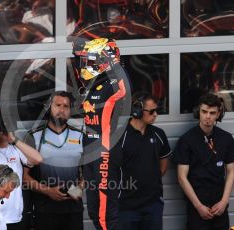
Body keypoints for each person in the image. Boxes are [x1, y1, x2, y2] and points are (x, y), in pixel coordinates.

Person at [73, 37, 128, 229]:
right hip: (89, 153)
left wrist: (113, 61)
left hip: (105, 153)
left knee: (106, 214)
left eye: (90, 60)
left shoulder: (115, 82)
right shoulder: (96, 84)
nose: (86, 65)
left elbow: (123, 88)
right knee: (94, 211)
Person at [172, 93, 234, 230]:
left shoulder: (226, 138)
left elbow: (231, 171)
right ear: (198, 112)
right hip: (197, 206)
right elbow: (181, 177)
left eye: (212, 113)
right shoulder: (186, 141)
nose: (207, 117)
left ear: (218, 115)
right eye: (204, 112)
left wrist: (224, 201)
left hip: (219, 205)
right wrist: (199, 206)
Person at [23, 91, 84, 230]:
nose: (61, 110)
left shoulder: (80, 136)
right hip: (44, 210)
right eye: (57, 105)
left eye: (66, 106)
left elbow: (89, 172)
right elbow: (24, 176)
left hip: (73, 210)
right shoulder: (34, 137)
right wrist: (48, 191)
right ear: (49, 107)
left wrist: (78, 190)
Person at [0, 119, 43, 230]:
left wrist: (14, 140)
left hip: (14, 218)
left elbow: (38, 159)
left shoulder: (15, 149)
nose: (7, 131)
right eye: (3, 128)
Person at [117, 93, 171, 230]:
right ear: (138, 111)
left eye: (156, 110)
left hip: (153, 205)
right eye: (151, 111)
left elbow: (164, 164)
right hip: (126, 206)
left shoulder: (159, 134)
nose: (156, 114)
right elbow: (111, 170)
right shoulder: (120, 137)